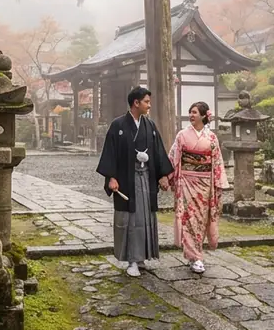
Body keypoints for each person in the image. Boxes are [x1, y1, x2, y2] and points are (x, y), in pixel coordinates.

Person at [95, 86, 174, 277]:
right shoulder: (118, 125)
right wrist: (111, 177)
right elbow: (110, 152)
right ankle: (131, 260)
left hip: (146, 178)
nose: (149, 105)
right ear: (136, 103)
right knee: (130, 220)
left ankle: (141, 257)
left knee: (145, 218)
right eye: (146, 101)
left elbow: (158, 151)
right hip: (126, 181)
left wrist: (163, 175)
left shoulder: (150, 125)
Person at [168, 101, 229, 274]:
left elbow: (217, 161)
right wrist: (167, 177)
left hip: (205, 184)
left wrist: (219, 183)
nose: (191, 115)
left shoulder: (212, 137)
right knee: (189, 218)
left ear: (203, 115)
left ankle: (196, 253)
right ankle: (195, 257)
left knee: (202, 220)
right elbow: (173, 157)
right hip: (187, 181)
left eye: (194, 112)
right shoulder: (182, 135)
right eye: (190, 112)